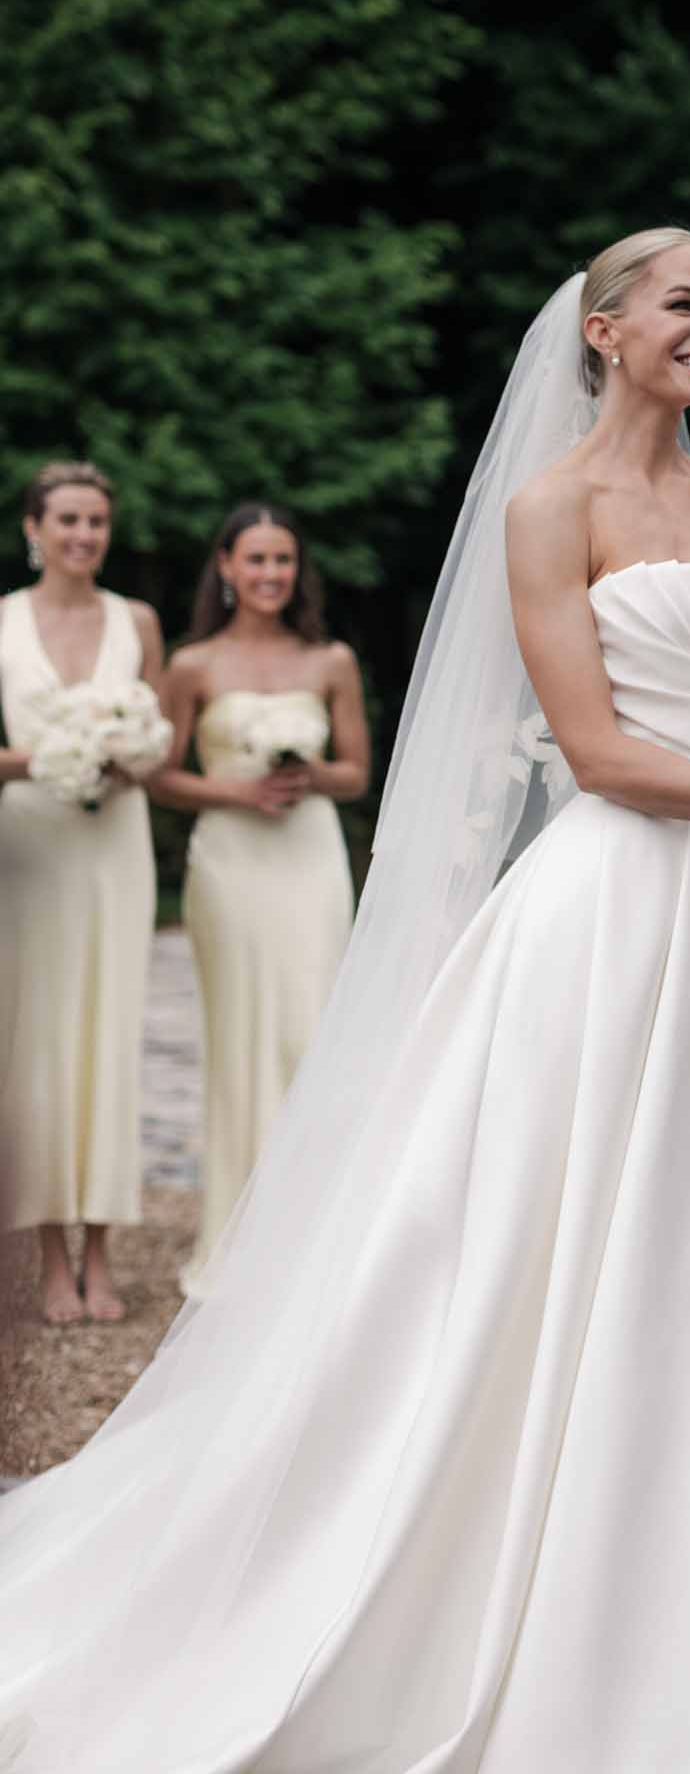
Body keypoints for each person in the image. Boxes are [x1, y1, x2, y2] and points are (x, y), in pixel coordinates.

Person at [0, 231, 690, 1774]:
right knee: (555, 1243)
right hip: (615, 910)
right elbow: (598, 753)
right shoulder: (545, 512)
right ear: (602, 330)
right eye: (682, 303)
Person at [150, 504, 368, 1296]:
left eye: (283, 561)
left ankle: (317, 1232)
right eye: (256, 560)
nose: (271, 574)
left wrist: (310, 776)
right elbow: (161, 774)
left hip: (309, 858)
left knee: (312, 1032)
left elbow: (356, 773)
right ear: (226, 567)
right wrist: (236, 793)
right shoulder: (193, 664)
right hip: (231, 861)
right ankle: (239, 1236)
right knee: (242, 1038)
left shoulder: (331, 660)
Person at [0, 462, 164, 1325]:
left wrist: (128, 754)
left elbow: (163, 746)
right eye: (66, 519)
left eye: (96, 521)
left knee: (108, 1034)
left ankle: (103, 1252)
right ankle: (48, 1257)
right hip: (31, 847)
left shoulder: (136, 621)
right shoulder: (2, 625)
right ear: (34, 526)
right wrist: (45, 758)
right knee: (37, 1045)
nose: (82, 536)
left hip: (114, 846)